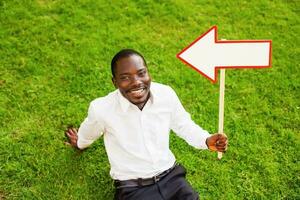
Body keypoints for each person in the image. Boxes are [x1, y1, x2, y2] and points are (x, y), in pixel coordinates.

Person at [65, 49, 228, 200]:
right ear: (114, 82)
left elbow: (184, 125)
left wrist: (206, 140)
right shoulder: (102, 109)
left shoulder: (165, 94)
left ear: (148, 73)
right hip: (133, 188)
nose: (136, 82)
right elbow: (88, 132)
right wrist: (80, 143)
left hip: (171, 178)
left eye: (141, 73)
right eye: (125, 77)